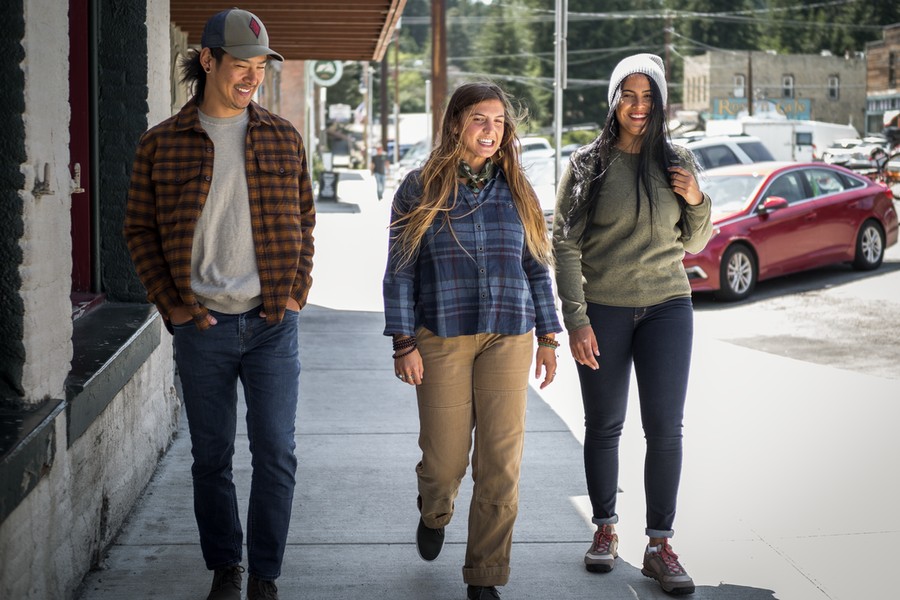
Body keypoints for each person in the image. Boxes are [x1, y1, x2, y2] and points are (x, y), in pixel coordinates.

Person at [123, 8, 314, 600]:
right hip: (201, 325)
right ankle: (225, 566)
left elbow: (305, 222)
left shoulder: (283, 136)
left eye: (259, 66)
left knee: (276, 454)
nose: (252, 77)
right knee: (211, 458)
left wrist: (296, 292)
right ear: (207, 60)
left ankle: (264, 576)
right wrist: (171, 305)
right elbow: (139, 231)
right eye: (240, 65)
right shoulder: (161, 145)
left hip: (270, 324)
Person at [383, 82, 562, 600]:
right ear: (456, 122)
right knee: (445, 460)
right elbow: (399, 272)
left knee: (500, 462)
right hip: (440, 333)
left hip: (510, 333)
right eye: (480, 119)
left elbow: (536, 266)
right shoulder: (419, 188)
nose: (491, 130)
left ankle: (485, 576)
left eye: (499, 121)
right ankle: (434, 510)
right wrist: (403, 341)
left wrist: (549, 335)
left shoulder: (518, 188)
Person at [552, 54, 713, 595]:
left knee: (665, 428)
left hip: (668, 305)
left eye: (648, 97)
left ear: (661, 102)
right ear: (614, 100)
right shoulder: (586, 163)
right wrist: (576, 318)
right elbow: (565, 244)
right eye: (629, 95)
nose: (638, 107)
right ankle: (604, 531)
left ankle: (660, 545)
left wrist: (696, 199)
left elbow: (694, 243)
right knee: (604, 424)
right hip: (603, 309)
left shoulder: (678, 160)